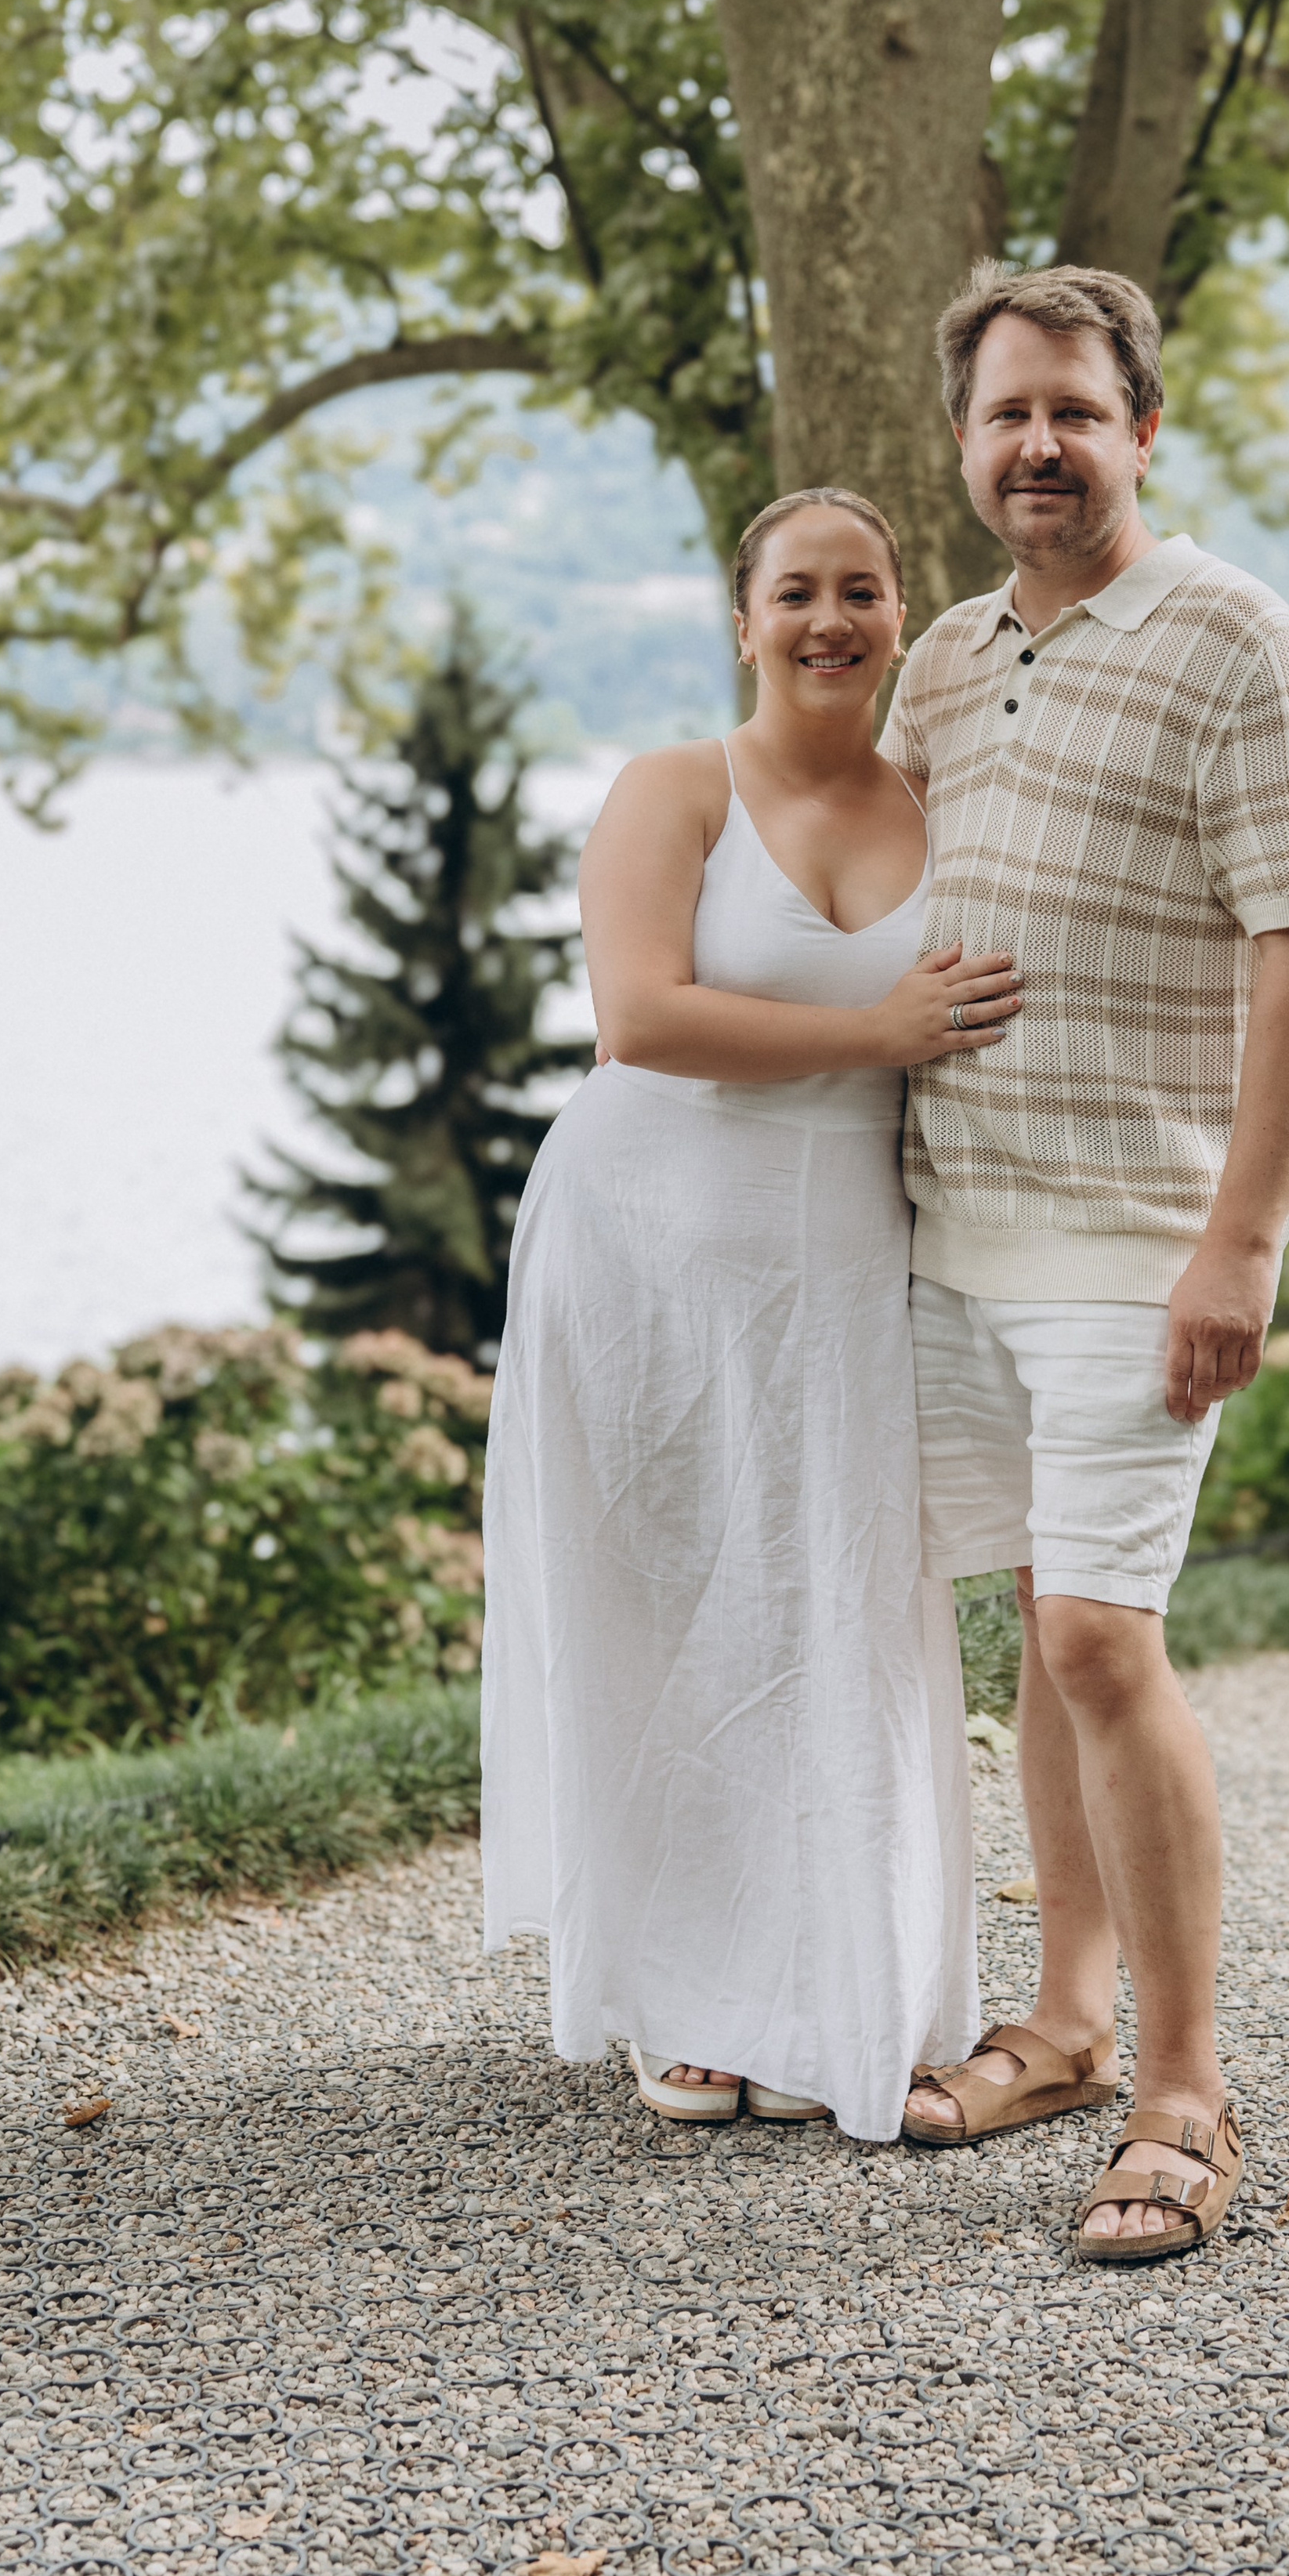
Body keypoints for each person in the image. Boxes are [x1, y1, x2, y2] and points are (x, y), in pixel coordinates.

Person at [889, 262, 1289, 2263]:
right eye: (1006, 415)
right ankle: (1067, 2025)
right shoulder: (936, 659)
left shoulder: (1238, 640)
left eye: (1075, 411)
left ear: (1140, 429)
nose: (1039, 446)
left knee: (1101, 1639)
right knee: (1028, 1630)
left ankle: (1183, 2090)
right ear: (966, 443)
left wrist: (1237, 1241)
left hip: (1134, 1241)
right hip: (949, 1235)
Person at [479, 487, 1017, 2143]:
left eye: (860, 590)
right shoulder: (673, 791)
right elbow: (640, 1017)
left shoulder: (943, 803)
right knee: (663, 1608)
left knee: (825, 1607)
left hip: (842, 1256)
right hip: (644, 1244)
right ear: (743, 617)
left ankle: (822, 1985)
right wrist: (880, 1034)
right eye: (796, 592)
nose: (829, 621)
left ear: (898, 610)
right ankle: (677, 1996)